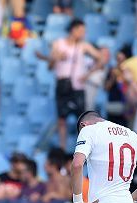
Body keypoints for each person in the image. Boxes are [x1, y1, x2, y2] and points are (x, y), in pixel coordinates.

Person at [50, 19, 103, 149]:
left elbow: (101, 58)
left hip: (78, 87)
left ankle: (82, 148)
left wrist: (88, 74)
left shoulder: (83, 45)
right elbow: (50, 65)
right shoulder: (58, 44)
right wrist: (56, 58)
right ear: (73, 30)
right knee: (62, 119)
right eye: (81, 30)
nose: (83, 33)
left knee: (82, 120)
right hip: (63, 85)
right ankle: (63, 148)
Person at [104, 45, 132, 126]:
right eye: (118, 59)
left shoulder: (130, 71)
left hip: (126, 106)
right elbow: (106, 87)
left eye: (122, 60)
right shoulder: (112, 70)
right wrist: (113, 77)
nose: (119, 63)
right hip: (113, 104)